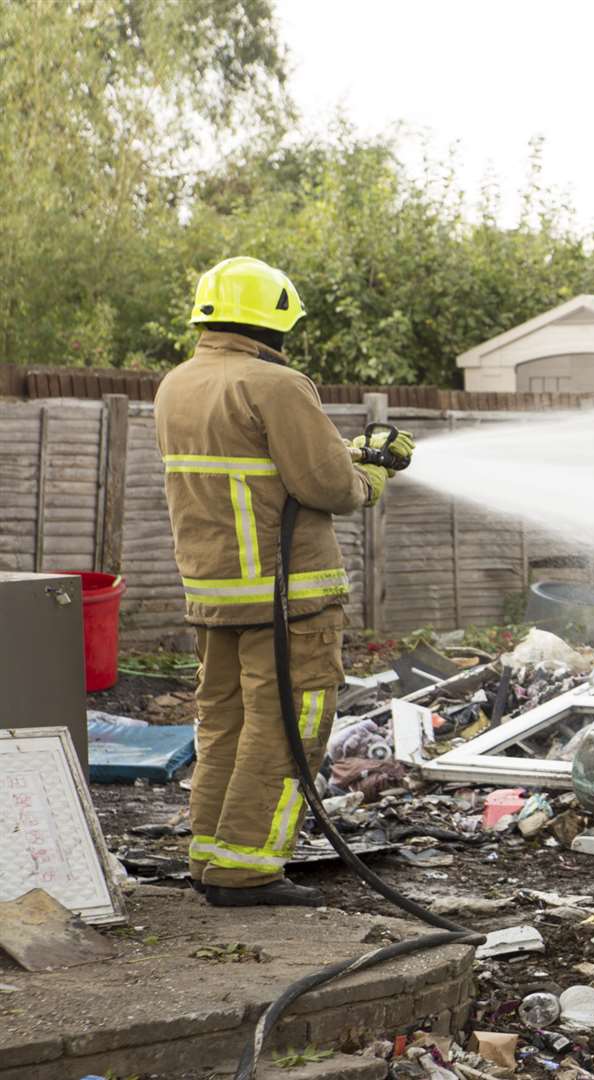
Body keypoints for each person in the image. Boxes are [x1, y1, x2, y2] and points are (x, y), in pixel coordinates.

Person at [156, 256, 413, 907]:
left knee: (224, 727)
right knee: (286, 729)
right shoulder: (275, 384)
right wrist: (374, 472)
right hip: (287, 598)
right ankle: (246, 870)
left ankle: (210, 856)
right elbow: (325, 485)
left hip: (215, 593)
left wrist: (347, 452)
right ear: (276, 321)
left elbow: (263, 467)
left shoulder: (179, 383)